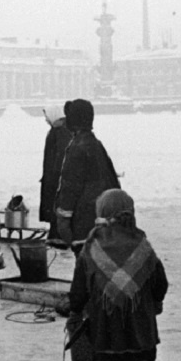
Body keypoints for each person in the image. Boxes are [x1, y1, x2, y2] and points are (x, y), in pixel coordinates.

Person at [66, 189, 174, 361]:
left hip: (105, 319)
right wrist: (156, 302)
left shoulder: (92, 247)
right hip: (140, 320)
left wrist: (75, 310)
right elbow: (160, 282)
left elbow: (80, 287)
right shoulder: (142, 245)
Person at [55, 99, 121, 255]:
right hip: (104, 219)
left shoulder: (77, 147)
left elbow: (70, 185)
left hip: (84, 221)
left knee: (86, 267)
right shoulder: (97, 145)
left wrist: (63, 219)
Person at [39, 110, 74, 247]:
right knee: (54, 205)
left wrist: (54, 175)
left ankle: (57, 236)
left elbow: (60, 156)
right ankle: (55, 234)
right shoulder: (59, 130)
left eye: (47, 117)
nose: (46, 120)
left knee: (55, 205)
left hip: (55, 178)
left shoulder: (60, 132)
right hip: (52, 176)